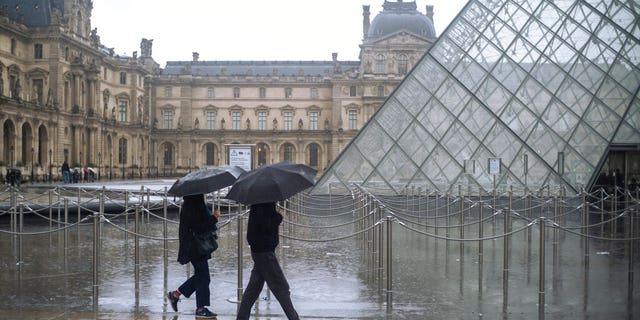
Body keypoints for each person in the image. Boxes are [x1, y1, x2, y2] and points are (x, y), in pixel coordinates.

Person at [236, 202, 299, 320]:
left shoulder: (258, 201)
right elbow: (267, 224)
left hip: (259, 250)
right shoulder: (265, 202)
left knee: (253, 288)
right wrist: (279, 215)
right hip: (265, 251)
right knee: (281, 287)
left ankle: (242, 317)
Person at [167, 194, 219, 319]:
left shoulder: (191, 204)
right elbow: (199, 227)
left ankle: (175, 294)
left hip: (195, 245)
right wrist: (214, 218)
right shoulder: (193, 206)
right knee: (203, 276)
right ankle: (200, 308)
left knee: (202, 276)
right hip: (194, 246)